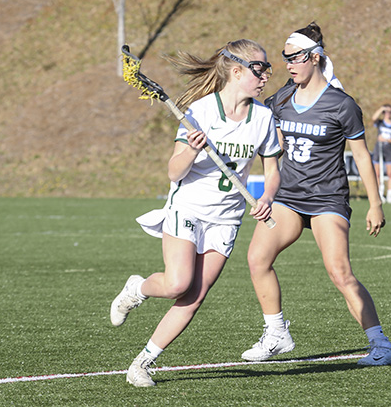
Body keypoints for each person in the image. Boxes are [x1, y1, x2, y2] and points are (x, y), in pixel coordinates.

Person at [109, 39, 282, 387]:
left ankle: (141, 364)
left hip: (227, 217)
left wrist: (268, 197)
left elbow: (274, 170)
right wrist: (192, 150)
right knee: (177, 283)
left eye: (266, 68)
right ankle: (137, 288)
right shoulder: (199, 112)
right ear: (236, 71)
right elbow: (174, 172)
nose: (265, 75)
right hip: (188, 207)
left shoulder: (263, 118)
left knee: (193, 296)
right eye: (259, 68)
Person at [242, 22, 391, 366]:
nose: (288, 64)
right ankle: (276, 332)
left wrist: (375, 203)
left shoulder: (342, 104)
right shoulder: (282, 98)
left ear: (314, 58)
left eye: (295, 58)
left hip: (327, 198)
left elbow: (361, 155)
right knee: (257, 259)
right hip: (289, 196)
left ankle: (382, 346)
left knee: (339, 271)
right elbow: (267, 137)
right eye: (285, 58)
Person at [371, 104, 391, 203]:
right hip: (378, 150)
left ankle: (390, 194)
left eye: (390, 112)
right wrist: (381, 108)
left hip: (389, 151)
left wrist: (387, 139)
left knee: (390, 173)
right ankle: (378, 193)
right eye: (386, 112)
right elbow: (373, 118)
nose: (388, 114)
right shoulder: (380, 123)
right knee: (377, 173)